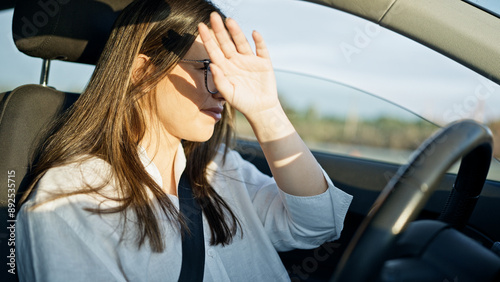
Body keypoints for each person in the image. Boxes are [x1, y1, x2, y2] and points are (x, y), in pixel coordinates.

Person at [16, 0, 352, 281]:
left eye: (227, 72)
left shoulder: (218, 166)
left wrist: (266, 110)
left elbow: (319, 223)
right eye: (209, 67)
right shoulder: (68, 203)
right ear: (142, 72)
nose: (223, 90)